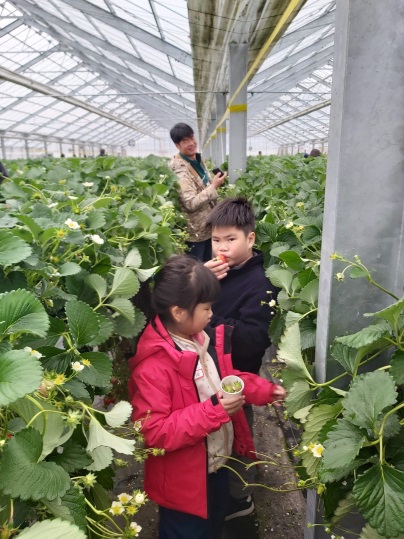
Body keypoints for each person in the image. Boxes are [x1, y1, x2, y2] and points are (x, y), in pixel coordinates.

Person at [128, 255, 285, 539]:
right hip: (182, 484)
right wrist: (214, 410)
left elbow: (226, 380)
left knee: (213, 526)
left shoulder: (203, 339)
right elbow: (152, 431)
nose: (212, 313)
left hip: (216, 467)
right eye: (207, 308)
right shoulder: (153, 367)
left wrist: (263, 390)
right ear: (178, 312)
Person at [204, 197, 278, 520]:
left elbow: (251, 341)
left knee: (238, 433)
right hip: (208, 371)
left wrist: (205, 317)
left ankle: (240, 498)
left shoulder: (261, 286)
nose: (222, 247)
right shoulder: (218, 273)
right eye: (216, 240)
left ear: (250, 239)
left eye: (231, 239)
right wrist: (201, 281)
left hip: (236, 378)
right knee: (216, 431)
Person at [169, 123, 227, 262]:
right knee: (196, 270)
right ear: (177, 145)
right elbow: (190, 203)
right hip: (195, 232)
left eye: (191, 138)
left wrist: (213, 182)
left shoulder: (198, 160)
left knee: (208, 264)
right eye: (185, 141)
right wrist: (213, 187)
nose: (191, 143)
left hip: (208, 226)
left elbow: (201, 186)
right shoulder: (179, 170)